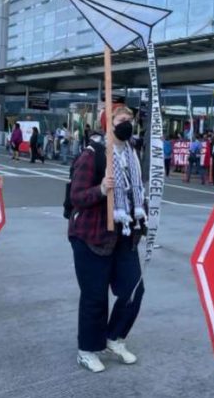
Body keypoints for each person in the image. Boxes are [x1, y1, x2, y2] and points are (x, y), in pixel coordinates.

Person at [69, 104, 146, 373]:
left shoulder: (133, 154)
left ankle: (114, 338)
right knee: (95, 296)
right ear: (107, 123)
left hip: (124, 234)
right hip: (92, 235)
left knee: (134, 289)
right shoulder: (93, 156)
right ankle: (87, 349)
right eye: (121, 119)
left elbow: (136, 191)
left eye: (130, 119)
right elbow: (76, 196)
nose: (128, 123)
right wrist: (101, 189)